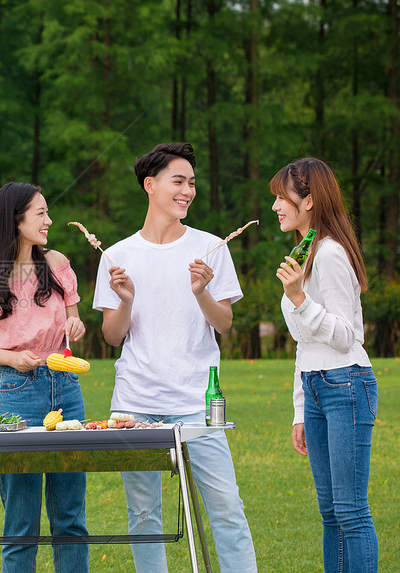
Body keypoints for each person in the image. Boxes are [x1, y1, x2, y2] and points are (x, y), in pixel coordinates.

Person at [92, 143, 258, 573]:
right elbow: (112, 335)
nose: (188, 191)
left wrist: (201, 291)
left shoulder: (211, 249)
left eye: (192, 183)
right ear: (150, 185)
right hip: (135, 402)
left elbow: (224, 324)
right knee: (144, 516)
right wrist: (126, 300)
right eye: (178, 181)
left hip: (197, 403)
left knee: (226, 509)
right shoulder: (118, 255)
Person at [0, 182, 89, 573]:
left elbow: (73, 314)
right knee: (21, 522)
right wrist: (11, 359)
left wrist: (76, 323)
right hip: (17, 393)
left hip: (66, 388)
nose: (49, 221)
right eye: (41, 213)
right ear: (16, 221)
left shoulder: (57, 264)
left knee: (70, 517)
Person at [272, 158, 378, 572]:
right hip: (318, 387)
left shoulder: (330, 254)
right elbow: (305, 343)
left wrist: (299, 298)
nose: (277, 207)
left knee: (351, 511)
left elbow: (344, 335)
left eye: (283, 198)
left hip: (346, 384)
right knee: (330, 512)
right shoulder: (306, 252)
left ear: (310, 201)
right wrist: (300, 408)